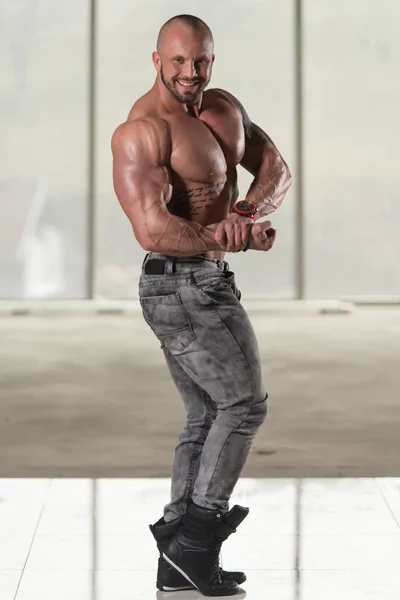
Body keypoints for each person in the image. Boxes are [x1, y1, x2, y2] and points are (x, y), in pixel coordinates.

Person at [112, 14, 292, 597]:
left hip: (205, 278)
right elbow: (152, 229)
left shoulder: (222, 109)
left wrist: (246, 214)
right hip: (181, 285)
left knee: (207, 415)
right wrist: (221, 238)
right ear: (157, 59)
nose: (190, 73)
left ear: (211, 59)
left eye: (201, 61)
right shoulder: (141, 131)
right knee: (243, 407)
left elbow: (274, 169)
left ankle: (178, 563)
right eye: (179, 61)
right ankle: (196, 537)